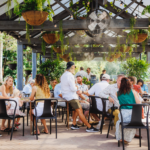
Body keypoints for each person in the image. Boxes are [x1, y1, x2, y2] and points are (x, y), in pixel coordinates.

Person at [61, 61, 98, 132]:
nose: (74, 68)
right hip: (71, 97)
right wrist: (77, 87)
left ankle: (74, 124)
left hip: (66, 96)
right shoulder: (70, 75)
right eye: (74, 67)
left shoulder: (63, 75)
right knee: (80, 111)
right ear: (72, 67)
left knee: (76, 110)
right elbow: (73, 88)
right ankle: (89, 127)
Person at [116, 77, 141, 143]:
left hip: (123, 115)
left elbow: (117, 103)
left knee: (121, 122)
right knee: (131, 123)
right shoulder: (133, 91)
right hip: (133, 116)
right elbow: (138, 103)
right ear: (129, 84)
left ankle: (122, 138)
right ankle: (127, 139)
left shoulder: (117, 93)